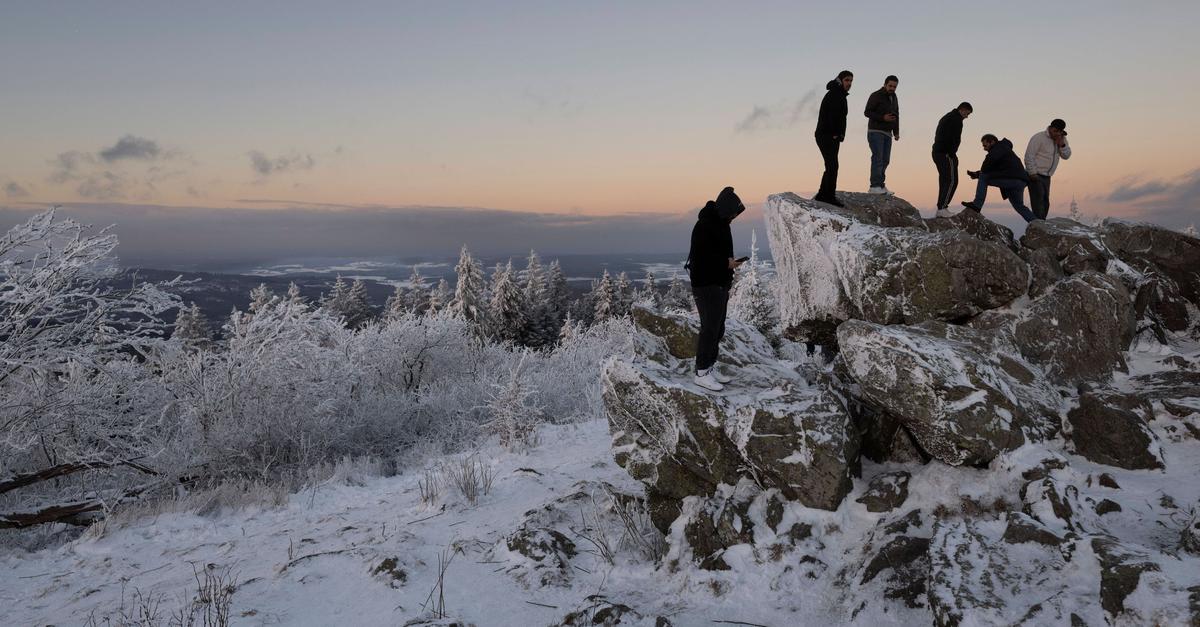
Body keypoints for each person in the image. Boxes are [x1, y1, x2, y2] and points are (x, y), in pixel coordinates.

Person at [685, 186, 745, 391]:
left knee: (718, 329)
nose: (734, 217)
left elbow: (719, 253)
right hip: (706, 285)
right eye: (733, 213)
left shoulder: (721, 223)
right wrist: (725, 264)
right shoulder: (704, 226)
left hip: (719, 284)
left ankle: (709, 367)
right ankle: (701, 372)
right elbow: (701, 259)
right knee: (709, 329)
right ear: (726, 209)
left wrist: (729, 263)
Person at [961, 134, 1036, 222]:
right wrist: (977, 174)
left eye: (985, 145)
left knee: (983, 177)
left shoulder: (997, 149)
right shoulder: (1003, 149)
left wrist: (980, 174)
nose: (984, 149)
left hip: (1012, 180)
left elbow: (985, 168)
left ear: (992, 142)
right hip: (1020, 181)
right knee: (1019, 206)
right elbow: (994, 169)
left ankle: (977, 204)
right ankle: (1037, 223)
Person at [814, 70, 853, 207]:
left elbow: (841, 118)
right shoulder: (835, 94)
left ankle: (823, 194)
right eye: (847, 80)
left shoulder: (840, 95)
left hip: (831, 135)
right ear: (840, 80)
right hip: (826, 135)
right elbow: (831, 116)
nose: (849, 83)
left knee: (831, 166)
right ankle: (827, 196)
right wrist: (834, 133)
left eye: (851, 81)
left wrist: (840, 135)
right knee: (832, 165)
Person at [1024, 118, 1072, 219]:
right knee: (1038, 201)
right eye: (1055, 131)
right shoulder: (1039, 137)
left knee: (1045, 202)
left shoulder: (1061, 139)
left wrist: (1061, 144)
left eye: (1059, 132)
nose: (1056, 134)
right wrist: (1032, 173)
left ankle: (1041, 224)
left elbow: (1066, 156)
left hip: (1047, 176)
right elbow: (1029, 156)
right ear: (1050, 128)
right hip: (1035, 174)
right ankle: (1039, 225)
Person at [931, 102, 973, 217]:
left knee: (944, 180)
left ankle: (941, 208)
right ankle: (942, 208)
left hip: (938, 152)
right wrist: (952, 153)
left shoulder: (948, 116)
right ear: (963, 110)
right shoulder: (956, 119)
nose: (967, 117)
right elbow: (951, 138)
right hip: (945, 153)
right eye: (967, 114)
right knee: (951, 181)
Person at [864, 75, 900, 195]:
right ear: (885, 84)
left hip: (887, 133)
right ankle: (874, 186)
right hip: (875, 132)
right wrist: (883, 117)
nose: (892, 88)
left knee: (885, 160)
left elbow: (896, 115)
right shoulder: (876, 95)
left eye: (894, 87)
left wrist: (896, 132)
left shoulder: (894, 97)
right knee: (878, 158)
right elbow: (867, 112)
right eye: (890, 86)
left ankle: (880, 185)